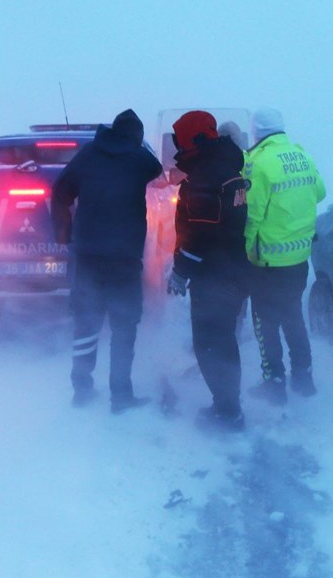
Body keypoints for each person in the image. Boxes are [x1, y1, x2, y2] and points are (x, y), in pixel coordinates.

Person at [52, 109, 162, 413]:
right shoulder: (139, 160)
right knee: (124, 327)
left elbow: (61, 191)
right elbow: (156, 168)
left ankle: (82, 390)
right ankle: (121, 396)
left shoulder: (88, 154)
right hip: (124, 259)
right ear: (136, 137)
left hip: (88, 256)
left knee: (86, 325)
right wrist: (135, 147)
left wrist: (64, 232)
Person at [166, 111, 250, 432]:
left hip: (214, 277)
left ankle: (227, 411)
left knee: (210, 343)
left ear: (194, 140)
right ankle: (229, 406)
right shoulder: (227, 168)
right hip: (232, 270)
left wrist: (180, 271)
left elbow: (199, 239)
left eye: (180, 140)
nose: (177, 146)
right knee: (223, 340)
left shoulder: (204, 180)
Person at [243, 107, 326, 405]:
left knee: (265, 323)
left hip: (266, 264)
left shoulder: (257, 163)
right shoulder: (301, 155)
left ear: (256, 132)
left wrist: (243, 251)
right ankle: (304, 380)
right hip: (299, 259)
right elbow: (320, 193)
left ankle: (274, 383)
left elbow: (251, 216)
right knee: (293, 317)